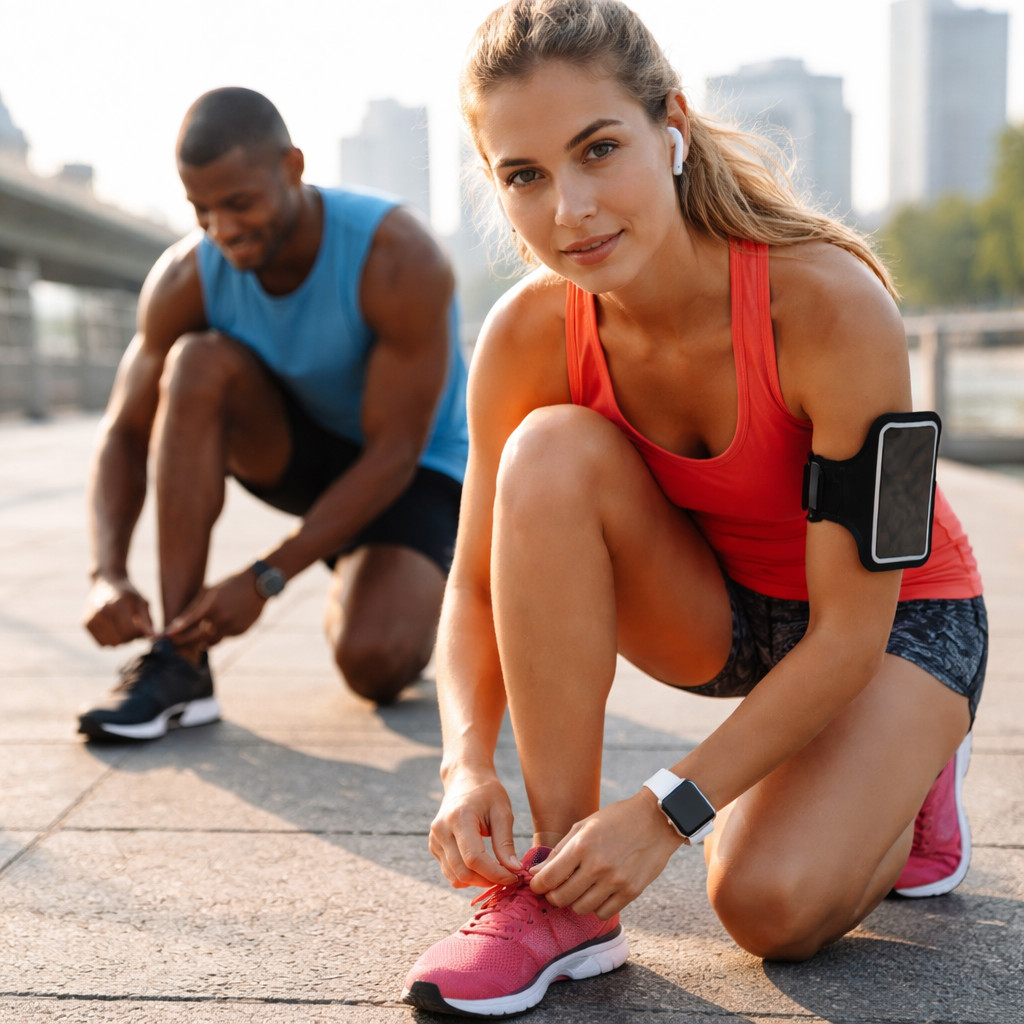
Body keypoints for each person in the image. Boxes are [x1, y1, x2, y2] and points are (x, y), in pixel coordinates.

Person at [401, 1, 987, 1017]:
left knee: (769, 905)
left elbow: (850, 635)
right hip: (718, 612)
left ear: (669, 126)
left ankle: (910, 766)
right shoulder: (526, 334)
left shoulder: (834, 305)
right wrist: (463, 766)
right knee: (547, 450)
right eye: (524, 175)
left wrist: (663, 811)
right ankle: (561, 899)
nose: (571, 209)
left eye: (599, 150)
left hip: (894, 622)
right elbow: (478, 583)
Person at [79, 87, 468, 742]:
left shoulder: (398, 255)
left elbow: (395, 453)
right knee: (196, 361)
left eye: (239, 203)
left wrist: (266, 576)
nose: (222, 229)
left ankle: (429, 579)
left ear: (292, 168)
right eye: (201, 209)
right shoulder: (186, 277)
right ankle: (180, 661)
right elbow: (123, 431)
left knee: (374, 663)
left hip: (414, 468)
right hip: (299, 453)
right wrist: (106, 574)